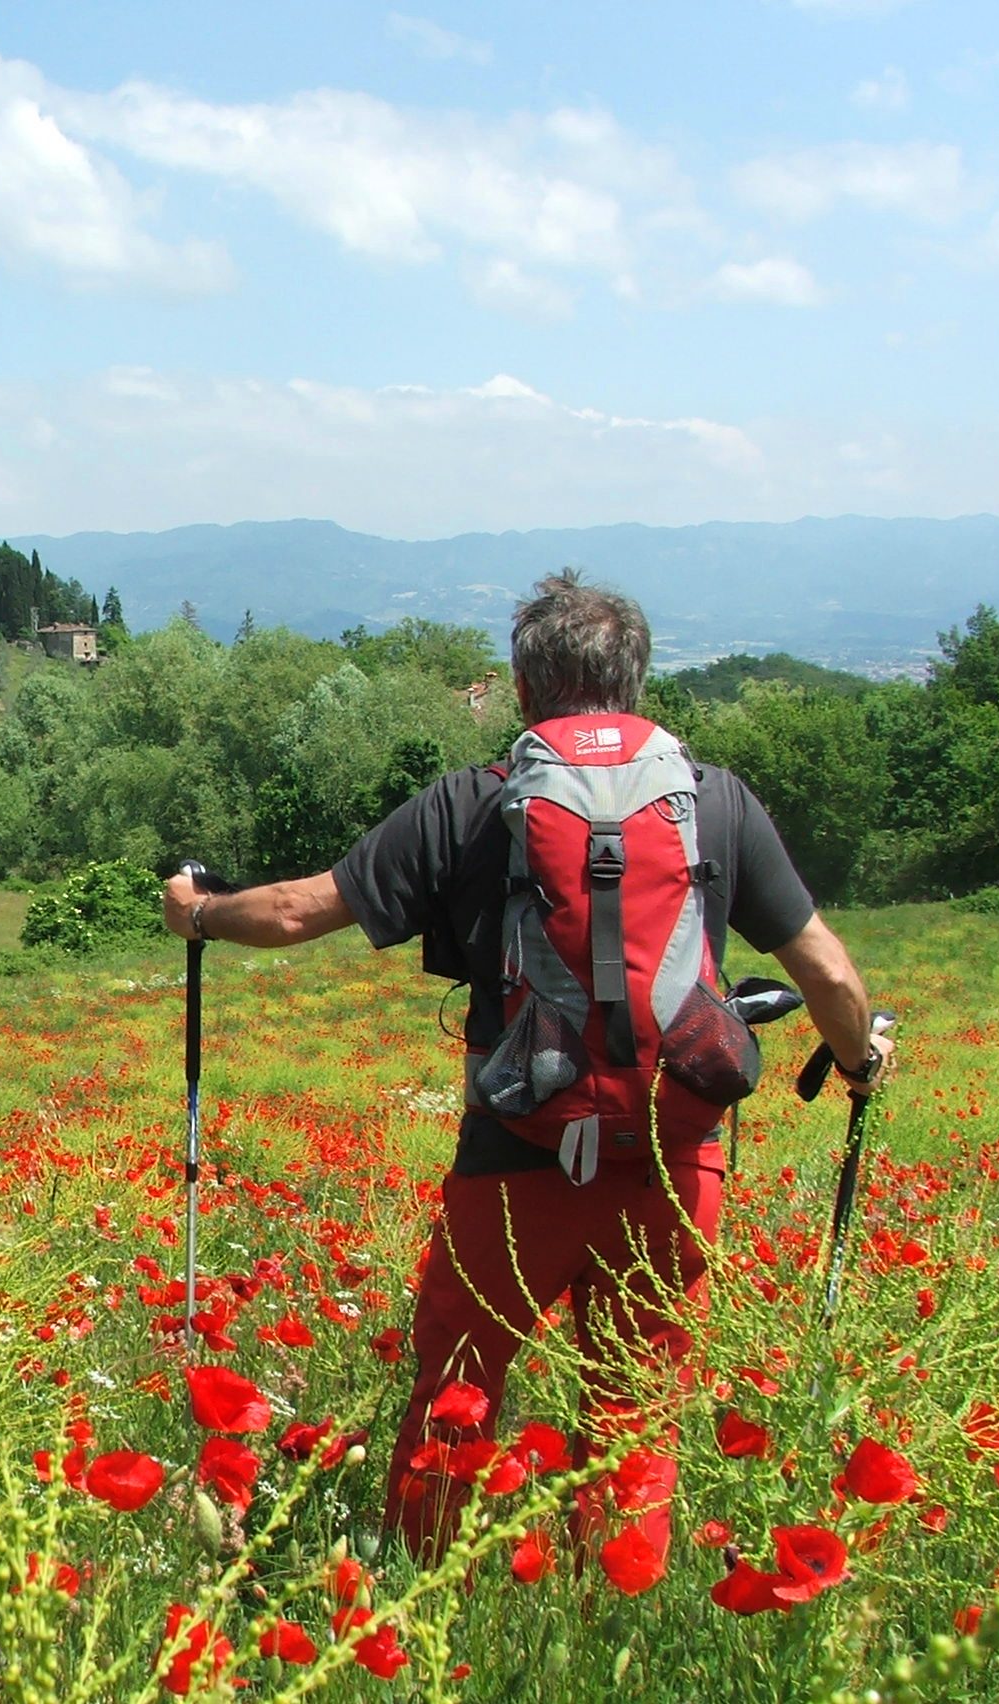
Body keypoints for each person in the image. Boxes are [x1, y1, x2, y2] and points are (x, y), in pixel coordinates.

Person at [160, 570, 893, 1566]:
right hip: (673, 1168)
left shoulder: (474, 804)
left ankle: (420, 1620)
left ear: (521, 686)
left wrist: (198, 912)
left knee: (457, 1397)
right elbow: (829, 974)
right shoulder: (714, 805)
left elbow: (295, 913)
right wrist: (859, 1059)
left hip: (512, 1157)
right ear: (635, 683)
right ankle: (608, 1629)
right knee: (632, 1418)